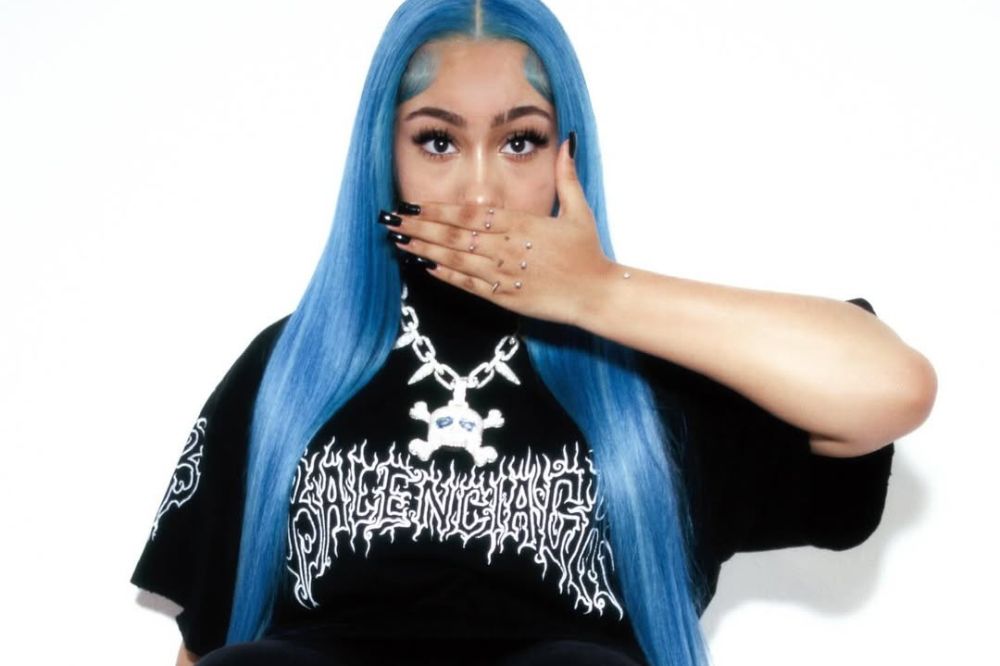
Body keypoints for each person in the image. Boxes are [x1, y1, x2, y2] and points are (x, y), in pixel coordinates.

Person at [130, 1, 936, 664]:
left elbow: (893, 388)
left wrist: (599, 294)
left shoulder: (646, 385)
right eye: (437, 140)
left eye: (520, 141)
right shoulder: (294, 372)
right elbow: (202, 649)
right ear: (385, 154)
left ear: (567, 154)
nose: (480, 189)